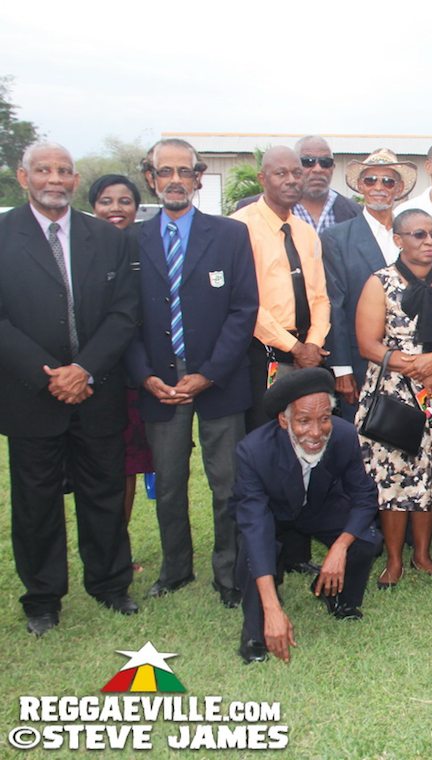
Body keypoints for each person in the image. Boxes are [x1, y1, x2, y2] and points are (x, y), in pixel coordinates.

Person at [0, 142, 139, 636]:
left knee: (103, 492)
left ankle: (109, 584)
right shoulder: (3, 233)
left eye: (63, 171)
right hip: (30, 394)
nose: (54, 179)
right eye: (43, 170)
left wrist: (84, 369)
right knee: (36, 502)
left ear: (76, 180)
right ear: (24, 177)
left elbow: (125, 313)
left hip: (96, 389)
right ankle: (42, 598)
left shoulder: (107, 237)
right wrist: (51, 375)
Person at [126, 138, 259, 608]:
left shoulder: (228, 234)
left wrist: (209, 373)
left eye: (185, 171)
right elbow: (127, 317)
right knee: (169, 483)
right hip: (159, 384)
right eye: (166, 172)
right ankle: (175, 568)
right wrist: (146, 376)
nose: (176, 180)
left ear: (199, 178)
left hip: (218, 380)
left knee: (227, 484)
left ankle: (228, 573)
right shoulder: (132, 239)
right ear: (152, 177)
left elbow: (244, 309)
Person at [230, 369, 380, 664]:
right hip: (270, 515)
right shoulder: (253, 452)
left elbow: (364, 497)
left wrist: (340, 547)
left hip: (317, 508)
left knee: (367, 538)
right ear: (284, 420)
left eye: (324, 418)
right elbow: (257, 528)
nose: (316, 432)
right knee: (254, 551)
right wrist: (273, 609)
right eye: (303, 421)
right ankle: (255, 632)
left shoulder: (344, 434)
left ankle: (336, 597)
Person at [355, 209, 432, 589]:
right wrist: (414, 365)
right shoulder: (379, 283)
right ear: (398, 239)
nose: (429, 242)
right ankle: (394, 560)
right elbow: (368, 344)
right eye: (419, 234)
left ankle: (422, 555)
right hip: (393, 391)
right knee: (394, 476)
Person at [231, 146, 332, 430]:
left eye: (296, 173)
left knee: (307, 435)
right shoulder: (239, 227)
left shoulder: (305, 230)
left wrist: (313, 344)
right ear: (263, 178)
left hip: (309, 356)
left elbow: (320, 297)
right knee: (266, 434)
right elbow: (246, 302)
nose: (291, 180)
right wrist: (295, 348)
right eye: (281, 173)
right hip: (263, 353)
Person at [321, 148, 418, 420]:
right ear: (360, 186)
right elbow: (334, 305)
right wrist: (342, 369)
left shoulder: (413, 234)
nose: (379, 187)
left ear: (399, 188)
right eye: (371, 180)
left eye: (388, 181)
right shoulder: (337, 237)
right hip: (361, 363)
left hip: (412, 361)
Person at [89, 174, 152, 572]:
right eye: (106, 201)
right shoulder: (82, 247)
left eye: (125, 201)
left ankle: (119, 551)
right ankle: (101, 552)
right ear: (92, 204)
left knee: (127, 466)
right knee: (97, 471)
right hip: (89, 372)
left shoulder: (143, 245)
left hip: (135, 376)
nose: (116, 209)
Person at [235, 136, 360, 232]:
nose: (318, 169)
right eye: (308, 161)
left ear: (333, 167)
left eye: (325, 162)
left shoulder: (356, 213)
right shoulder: (250, 210)